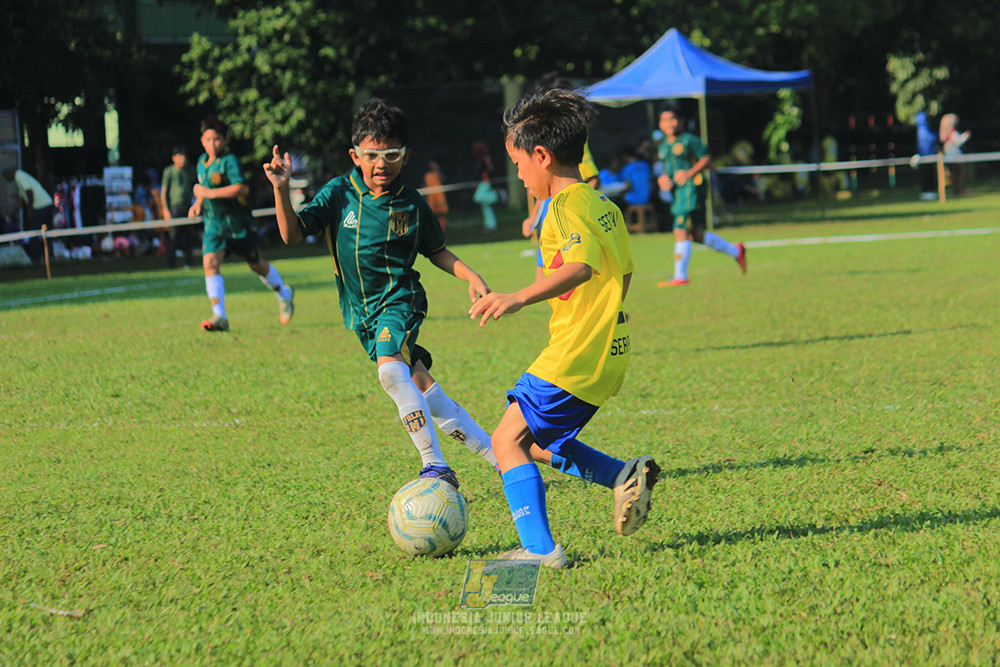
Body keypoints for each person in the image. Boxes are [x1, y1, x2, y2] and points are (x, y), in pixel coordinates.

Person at [468, 87, 660, 568]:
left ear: (542, 155)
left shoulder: (563, 208)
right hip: (608, 349)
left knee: (505, 441)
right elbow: (622, 272)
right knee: (534, 441)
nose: (517, 173)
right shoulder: (602, 206)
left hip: (577, 351)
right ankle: (622, 474)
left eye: (518, 163)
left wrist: (517, 297)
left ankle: (539, 550)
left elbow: (579, 267)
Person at [263, 98, 499, 488]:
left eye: (391, 155)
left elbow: (436, 250)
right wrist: (282, 188)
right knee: (423, 387)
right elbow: (290, 234)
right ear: (355, 155)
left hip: (400, 301)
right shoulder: (339, 194)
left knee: (390, 371)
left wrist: (470, 275)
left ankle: (434, 465)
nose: (381, 164)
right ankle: (500, 458)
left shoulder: (411, 203)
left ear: (405, 157)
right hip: (361, 316)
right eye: (372, 155)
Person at [189, 116, 294, 332]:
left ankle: (284, 294)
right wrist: (199, 202)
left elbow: (241, 189)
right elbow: (203, 185)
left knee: (257, 265)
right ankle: (220, 316)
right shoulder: (202, 162)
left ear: (225, 140)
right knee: (209, 263)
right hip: (214, 225)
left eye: (217, 139)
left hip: (238, 225)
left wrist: (208, 193)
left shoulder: (230, 161)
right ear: (202, 141)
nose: (212, 144)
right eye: (208, 139)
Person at [655, 104, 746, 287]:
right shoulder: (664, 146)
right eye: (665, 120)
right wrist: (661, 180)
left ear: (681, 121)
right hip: (678, 192)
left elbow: (706, 158)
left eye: (673, 119)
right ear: (660, 124)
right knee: (696, 234)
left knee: (680, 228)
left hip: (692, 190)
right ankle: (736, 252)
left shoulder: (689, 140)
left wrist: (689, 173)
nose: (669, 123)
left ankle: (680, 275)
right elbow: (667, 171)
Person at [1, 165, 54, 263]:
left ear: (10, 172)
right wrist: (13, 213)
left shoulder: (19, 176)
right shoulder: (20, 177)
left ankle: (37, 259)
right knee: (46, 233)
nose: (6, 178)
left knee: (33, 232)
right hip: (47, 204)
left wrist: (30, 210)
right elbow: (22, 199)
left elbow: (30, 193)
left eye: (5, 175)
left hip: (41, 206)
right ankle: (49, 257)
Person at [161, 145, 198, 268]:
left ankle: (189, 262)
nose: (182, 159)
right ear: (174, 158)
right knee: (173, 238)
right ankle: (171, 264)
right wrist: (165, 210)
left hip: (188, 207)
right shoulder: (169, 171)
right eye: (179, 156)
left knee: (189, 236)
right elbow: (164, 191)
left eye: (183, 156)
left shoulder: (191, 170)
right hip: (175, 208)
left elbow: (196, 187)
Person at [939, 113, 971, 195]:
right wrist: (966, 136)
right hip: (956, 156)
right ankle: (961, 189)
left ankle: (955, 190)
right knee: (961, 172)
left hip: (950, 156)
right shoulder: (952, 132)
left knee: (954, 174)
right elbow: (959, 142)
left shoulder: (946, 133)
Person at [472, 141, 499, 232]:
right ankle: (491, 225)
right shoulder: (479, 160)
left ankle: (496, 196)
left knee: (477, 197)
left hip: (486, 183)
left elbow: (490, 170)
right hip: (482, 183)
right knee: (486, 206)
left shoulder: (486, 159)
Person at [422, 159, 449, 233]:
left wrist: (437, 172)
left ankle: (442, 231)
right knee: (431, 215)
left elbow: (444, 179)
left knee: (441, 215)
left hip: (440, 197)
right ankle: (432, 231)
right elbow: (423, 185)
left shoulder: (439, 174)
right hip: (431, 198)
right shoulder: (427, 176)